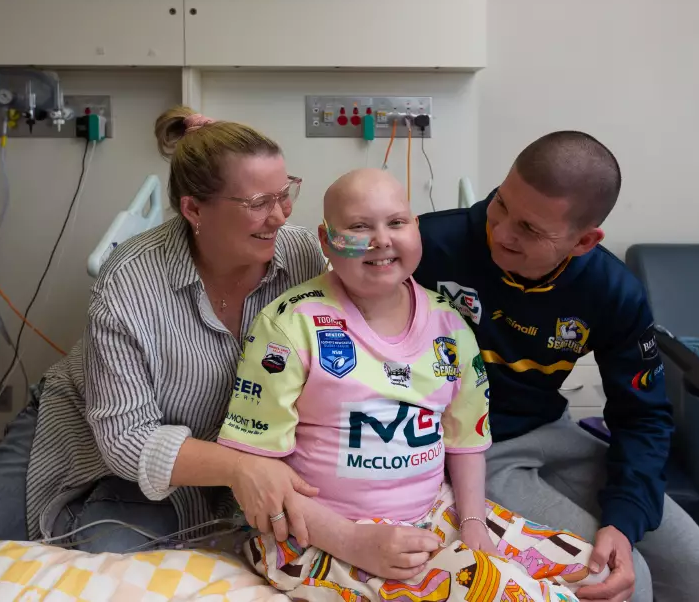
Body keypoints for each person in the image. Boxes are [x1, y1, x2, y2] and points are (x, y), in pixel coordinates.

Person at [0, 109, 326, 600]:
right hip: (83, 425)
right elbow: (126, 439)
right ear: (194, 211)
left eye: (284, 193)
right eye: (258, 202)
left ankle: (92, 517)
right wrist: (240, 467)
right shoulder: (130, 280)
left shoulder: (301, 259)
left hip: (192, 466)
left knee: (110, 562)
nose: (281, 215)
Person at [217, 168, 607, 602]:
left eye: (396, 223)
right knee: (509, 592)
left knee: (593, 574)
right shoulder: (291, 326)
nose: (381, 239)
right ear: (326, 241)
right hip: (315, 534)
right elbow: (253, 473)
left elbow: (466, 440)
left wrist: (473, 525)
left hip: (432, 513)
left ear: (417, 229)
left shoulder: (450, 325)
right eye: (359, 227)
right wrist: (349, 540)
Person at [411, 132, 699, 602]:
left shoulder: (612, 292)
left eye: (530, 229)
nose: (501, 233)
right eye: (500, 205)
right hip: (470, 447)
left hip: (550, 428)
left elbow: (643, 416)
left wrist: (624, 520)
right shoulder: (428, 246)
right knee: (622, 581)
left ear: (584, 241)